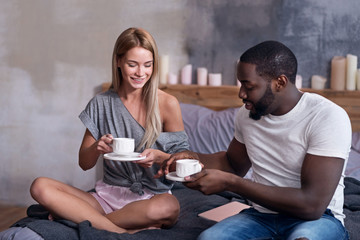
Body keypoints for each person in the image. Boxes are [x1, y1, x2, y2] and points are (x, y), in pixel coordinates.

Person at [157, 41, 351, 240]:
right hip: (261, 216)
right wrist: (191, 158)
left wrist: (232, 184)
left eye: (248, 86)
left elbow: (312, 206)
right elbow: (232, 165)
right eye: (241, 84)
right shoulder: (248, 114)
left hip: (317, 220)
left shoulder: (327, 116)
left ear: (280, 83)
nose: (241, 94)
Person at [30, 27, 189, 234]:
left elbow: (183, 162)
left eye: (147, 65)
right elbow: (84, 163)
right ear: (118, 62)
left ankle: (90, 221)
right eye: (133, 64)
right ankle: (121, 231)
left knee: (169, 206)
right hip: (106, 197)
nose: (141, 73)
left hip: (149, 200)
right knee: (39, 186)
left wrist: (160, 157)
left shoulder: (168, 103)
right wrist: (97, 147)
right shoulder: (101, 103)